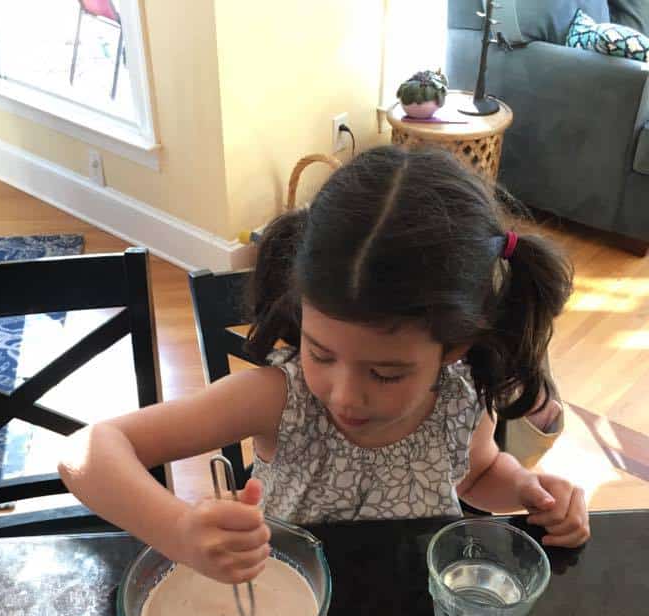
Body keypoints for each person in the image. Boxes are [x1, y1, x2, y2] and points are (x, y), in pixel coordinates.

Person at [58, 146, 590, 585]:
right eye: (320, 352)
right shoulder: (276, 398)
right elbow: (87, 452)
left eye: (386, 373)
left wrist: (525, 489)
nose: (343, 395)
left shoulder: (460, 396)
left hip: (410, 614)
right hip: (288, 612)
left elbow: (477, 474)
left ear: (453, 347)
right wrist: (178, 528)